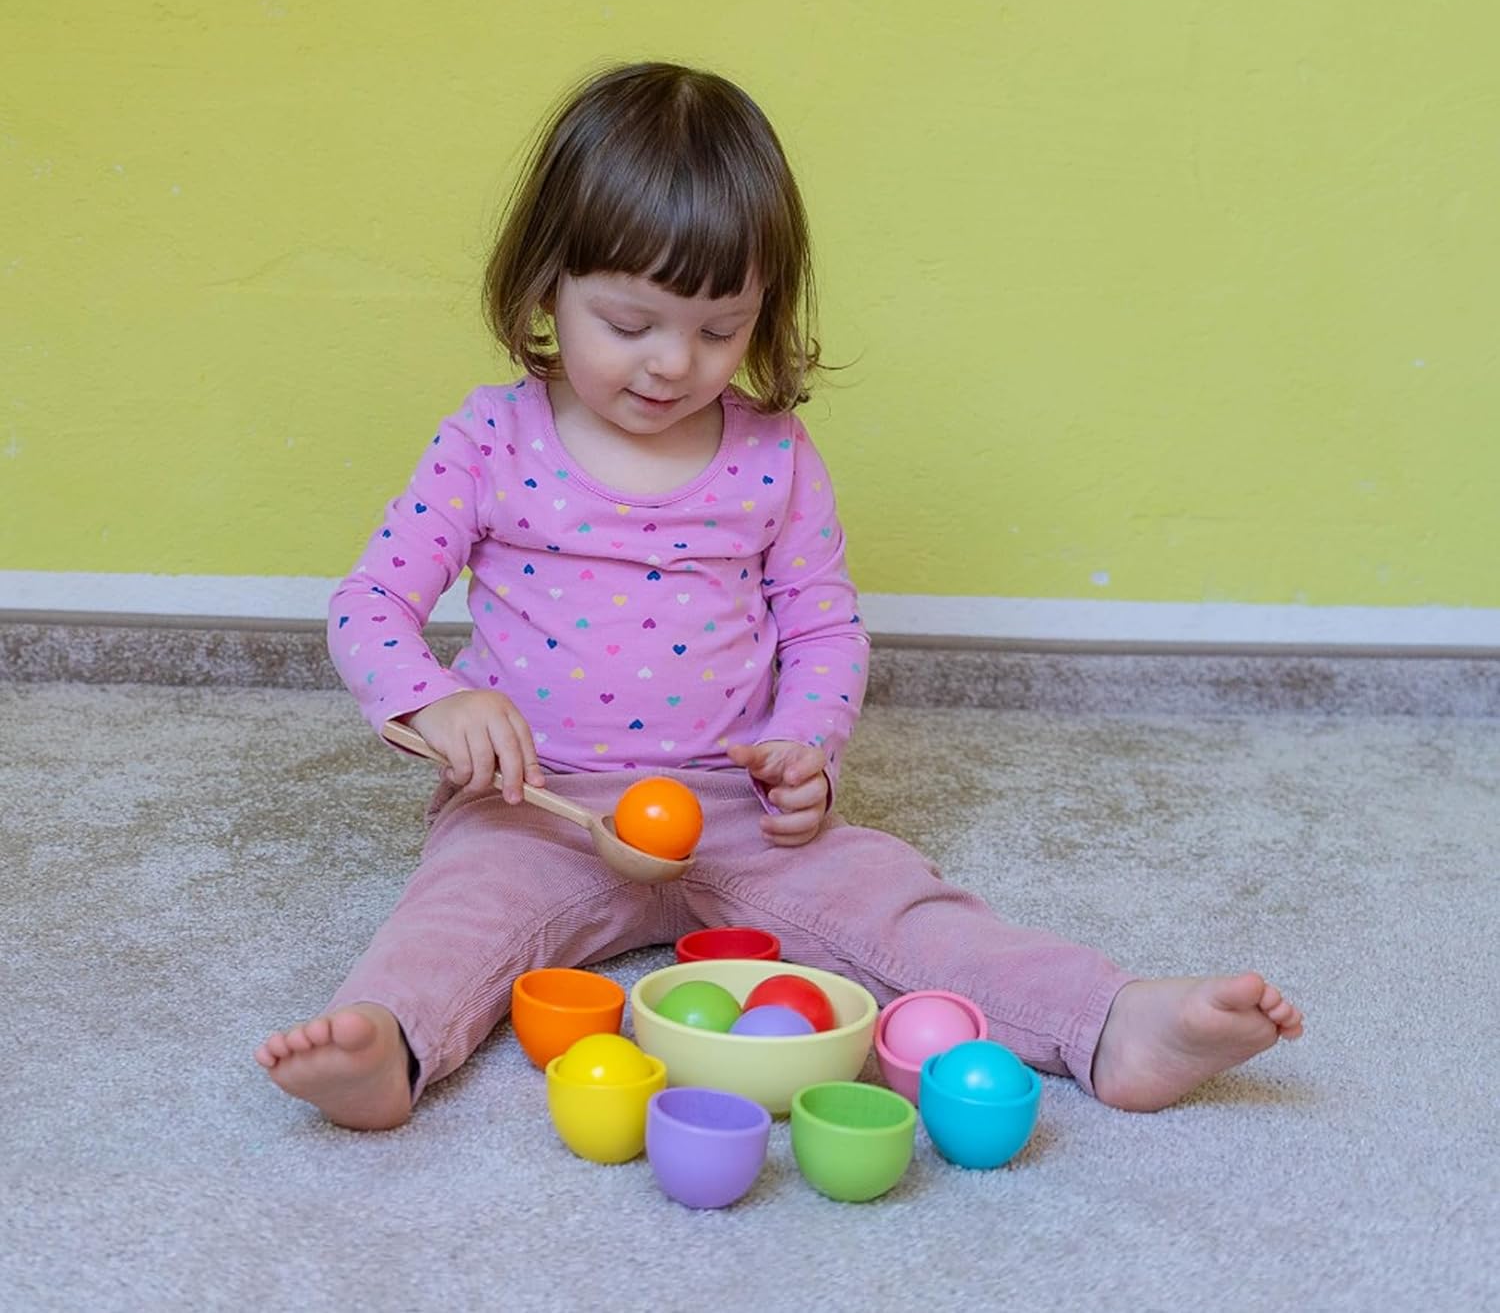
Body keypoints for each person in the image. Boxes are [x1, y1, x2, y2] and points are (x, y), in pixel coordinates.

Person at [255, 62, 1303, 1130]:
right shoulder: (490, 440)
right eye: (630, 323)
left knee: (903, 904)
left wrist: (807, 744)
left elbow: (823, 625)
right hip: (540, 809)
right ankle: (385, 1046)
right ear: (544, 286)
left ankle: (1110, 1021)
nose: (674, 363)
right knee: (453, 922)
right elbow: (368, 603)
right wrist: (432, 700)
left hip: (739, 812)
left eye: (721, 330)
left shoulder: (775, 456)